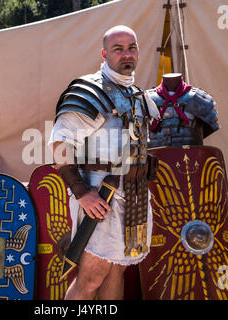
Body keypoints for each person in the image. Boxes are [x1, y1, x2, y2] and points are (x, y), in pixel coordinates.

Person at [48, 25, 158, 300]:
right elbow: (60, 145)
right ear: (104, 53)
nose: (126, 55)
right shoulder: (89, 90)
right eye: (118, 49)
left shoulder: (137, 95)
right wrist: (82, 193)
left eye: (131, 47)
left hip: (132, 194)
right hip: (100, 195)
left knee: (116, 269)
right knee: (91, 276)